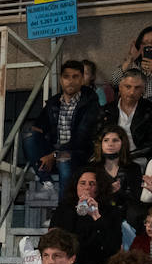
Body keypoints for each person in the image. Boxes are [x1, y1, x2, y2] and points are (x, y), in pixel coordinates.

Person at [29, 60, 102, 189]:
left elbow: (81, 139)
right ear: (61, 80)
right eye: (66, 77)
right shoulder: (53, 103)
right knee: (28, 135)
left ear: (82, 79)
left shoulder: (90, 103)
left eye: (75, 77)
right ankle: (45, 179)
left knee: (64, 159)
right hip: (54, 152)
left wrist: (54, 155)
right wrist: (36, 135)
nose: (70, 81)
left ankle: (65, 201)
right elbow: (38, 126)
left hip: (79, 154)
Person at [49, 165, 122, 264]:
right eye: (82, 183)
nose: (87, 187)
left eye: (92, 184)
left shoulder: (111, 211)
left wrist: (96, 216)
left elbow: (113, 246)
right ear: (76, 186)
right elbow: (53, 240)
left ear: (99, 187)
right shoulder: (64, 209)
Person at [101, 68, 152, 167]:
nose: (132, 92)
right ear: (120, 87)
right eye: (128, 87)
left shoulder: (151, 110)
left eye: (137, 88)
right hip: (111, 157)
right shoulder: (107, 110)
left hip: (139, 159)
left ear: (143, 90)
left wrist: (129, 156)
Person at [88, 126, 142, 228]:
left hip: (127, 213)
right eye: (106, 140)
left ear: (123, 143)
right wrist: (108, 192)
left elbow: (135, 197)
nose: (110, 144)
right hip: (99, 210)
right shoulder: (91, 168)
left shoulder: (133, 168)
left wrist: (119, 192)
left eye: (115, 140)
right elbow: (89, 195)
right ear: (101, 144)